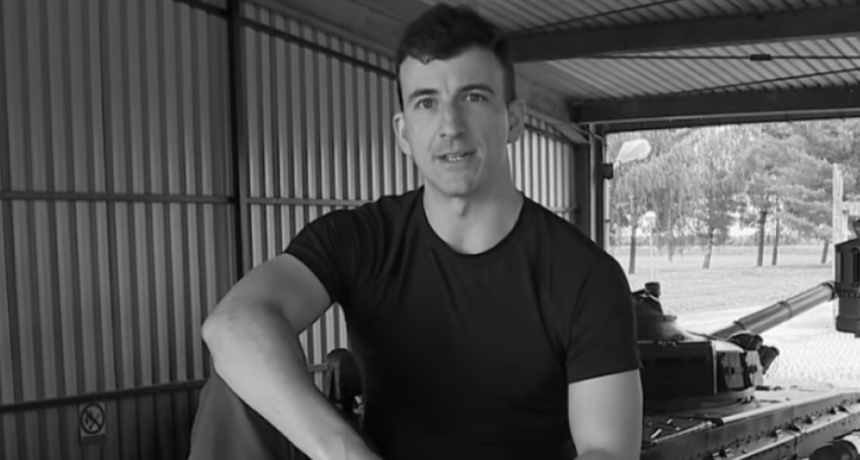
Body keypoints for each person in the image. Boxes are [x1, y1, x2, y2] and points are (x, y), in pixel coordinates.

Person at [189, 3, 643, 460]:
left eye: (473, 97)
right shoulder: (360, 239)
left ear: (514, 120)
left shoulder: (585, 276)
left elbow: (607, 451)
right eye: (427, 102)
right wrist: (344, 452)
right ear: (403, 132)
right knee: (234, 387)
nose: (450, 126)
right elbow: (233, 323)